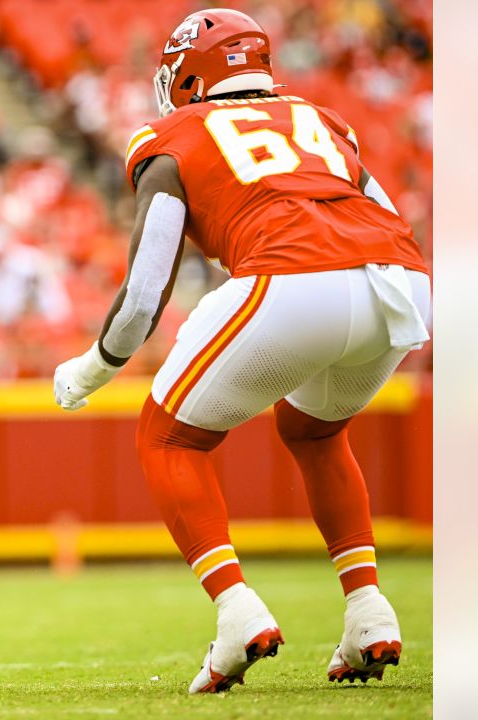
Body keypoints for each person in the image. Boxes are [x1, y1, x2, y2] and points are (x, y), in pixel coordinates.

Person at [52, 9, 430, 694]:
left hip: (292, 277)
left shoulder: (170, 135)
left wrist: (93, 366)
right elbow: (390, 218)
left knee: (166, 437)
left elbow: (144, 293)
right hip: (399, 283)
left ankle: (235, 610)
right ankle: (368, 608)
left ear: (186, 75)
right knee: (313, 429)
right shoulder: (322, 119)